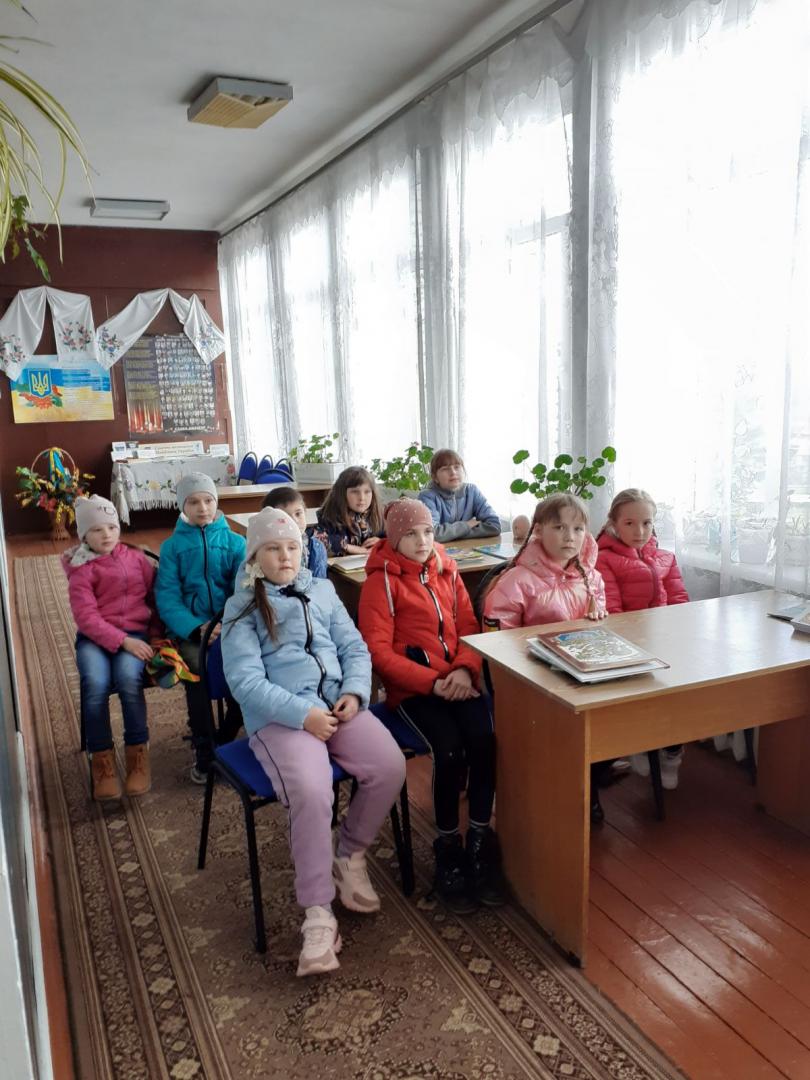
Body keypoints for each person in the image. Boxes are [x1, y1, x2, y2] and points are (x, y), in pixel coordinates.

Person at [221, 508, 405, 977]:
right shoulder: (241, 607)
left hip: (337, 704)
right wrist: (302, 716)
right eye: (272, 549)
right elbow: (245, 681)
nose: (284, 557)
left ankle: (349, 853)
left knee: (389, 765)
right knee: (311, 788)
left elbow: (354, 647)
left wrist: (354, 692)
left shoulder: (322, 590)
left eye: (291, 548)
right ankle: (318, 911)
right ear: (255, 557)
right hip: (282, 718)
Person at [358, 498, 504, 914]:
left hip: (457, 680)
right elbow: (378, 653)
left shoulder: (446, 567)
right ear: (393, 538)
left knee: (484, 738)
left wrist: (466, 671)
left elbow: (469, 627)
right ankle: (448, 847)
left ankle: (479, 839)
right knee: (449, 749)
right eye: (410, 534)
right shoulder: (380, 582)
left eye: (427, 531)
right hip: (414, 690)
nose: (422, 541)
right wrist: (433, 683)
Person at [481, 493, 611, 822]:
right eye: (559, 527)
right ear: (538, 531)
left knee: (608, 725)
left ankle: (586, 788)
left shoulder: (590, 577)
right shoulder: (517, 581)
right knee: (555, 737)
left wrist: (597, 620)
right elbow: (498, 642)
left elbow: (599, 625)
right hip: (533, 680)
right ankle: (531, 795)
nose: (570, 537)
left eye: (578, 529)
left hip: (581, 676)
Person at [62, 495, 159, 800]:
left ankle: (138, 755)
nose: (106, 534)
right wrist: (123, 641)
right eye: (96, 529)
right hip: (95, 641)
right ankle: (101, 760)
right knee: (95, 684)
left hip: (135, 633)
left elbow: (154, 599)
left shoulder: (137, 559)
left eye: (112, 527)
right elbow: (86, 618)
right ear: (83, 535)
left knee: (129, 680)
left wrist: (156, 636)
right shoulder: (81, 569)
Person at [155, 473, 246, 782]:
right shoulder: (172, 548)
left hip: (229, 626)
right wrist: (196, 628)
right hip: (191, 631)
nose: (202, 508)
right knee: (196, 672)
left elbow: (243, 591)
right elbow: (168, 598)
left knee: (244, 670)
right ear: (182, 506)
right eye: (193, 502)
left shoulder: (236, 543)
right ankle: (205, 748)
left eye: (208, 500)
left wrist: (224, 623)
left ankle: (226, 737)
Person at [596, 487, 689, 789]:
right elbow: (613, 615)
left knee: (684, 691)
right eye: (630, 523)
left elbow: (681, 605)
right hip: (627, 650)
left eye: (647, 523)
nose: (639, 531)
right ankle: (640, 742)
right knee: (647, 697)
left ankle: (672, 753)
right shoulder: (603, 559)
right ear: (613, 523)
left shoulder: (665, 558)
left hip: (665, 644)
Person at [417, 449, 500, 542]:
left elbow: (494, 526)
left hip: (467, 548)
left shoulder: (472, 491)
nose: (453, 472)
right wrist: (467, 525)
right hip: (438, 550)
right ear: (435, 477)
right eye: (445, 469)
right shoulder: (427, 497)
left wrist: (451, 535)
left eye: (457, 467)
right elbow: (433, 534)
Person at [315, 466, 384, 556]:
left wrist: (382, 542)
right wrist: (349, 547)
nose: (362, 498)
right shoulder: (327, 516)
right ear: (342, 494)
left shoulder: (376, 515)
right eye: (355, 492)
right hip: (337, 564)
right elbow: (316, 540)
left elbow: (393, 538)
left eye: (367, 492)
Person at [261, 486, 328, 578]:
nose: (294, 521)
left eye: (298, 514)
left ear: (305, 513)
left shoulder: (317, 547)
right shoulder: (265, 549)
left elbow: (320, 582)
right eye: (285, 516)